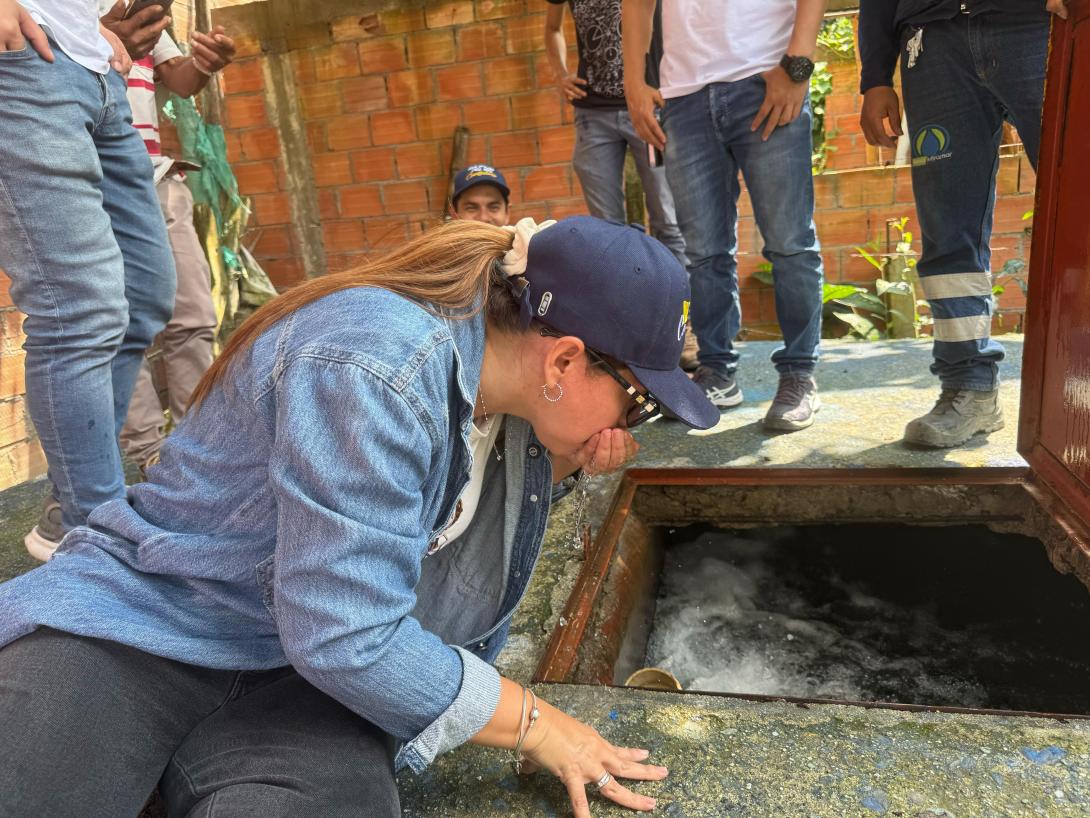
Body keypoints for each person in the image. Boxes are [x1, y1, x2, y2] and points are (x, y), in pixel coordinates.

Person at [0, 217, 719, 817]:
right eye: (639, 400)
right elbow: (346, 634)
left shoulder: (513, 405)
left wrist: (559, 467)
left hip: (298, 681)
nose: (635, 420)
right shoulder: (376, 364)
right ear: (563, 360)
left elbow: (421, 545)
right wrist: (535, 723)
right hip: (146, 624)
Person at [0, 0, 176, 559]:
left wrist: (89, 27)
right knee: (77, 309)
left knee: (143, 295)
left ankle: (72, 508)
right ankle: (96, 533)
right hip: (21, 66)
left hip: (95, 72)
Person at [858, 0, 1064, 448]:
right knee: (947, 231)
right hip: (932, 42)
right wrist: (875, 76)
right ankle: (969, 389)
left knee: (1078, 210)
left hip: (1036, 26)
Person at [625, 0, 827, 432]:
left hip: (766, 76)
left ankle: (798, 374)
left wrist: (798, 64)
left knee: (790, 242)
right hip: (683, 97)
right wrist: (634, 82)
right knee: (703, 252)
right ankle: (716, 372)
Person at [99, 4, 237, 472]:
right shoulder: (60, 9)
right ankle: (149, 456)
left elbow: (176, 78)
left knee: (194, 315)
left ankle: (202, 443)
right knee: (123, 327)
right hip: (94, 181)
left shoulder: (139, 6)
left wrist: (202, 64)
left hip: (156, 177)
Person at [543, 0, 687, 269]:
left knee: (668, 222)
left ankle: (682, 308)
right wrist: (560, 74)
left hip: (649, 108)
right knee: (608, 231)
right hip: (593, 116)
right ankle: (627, 305)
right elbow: (552, 29)